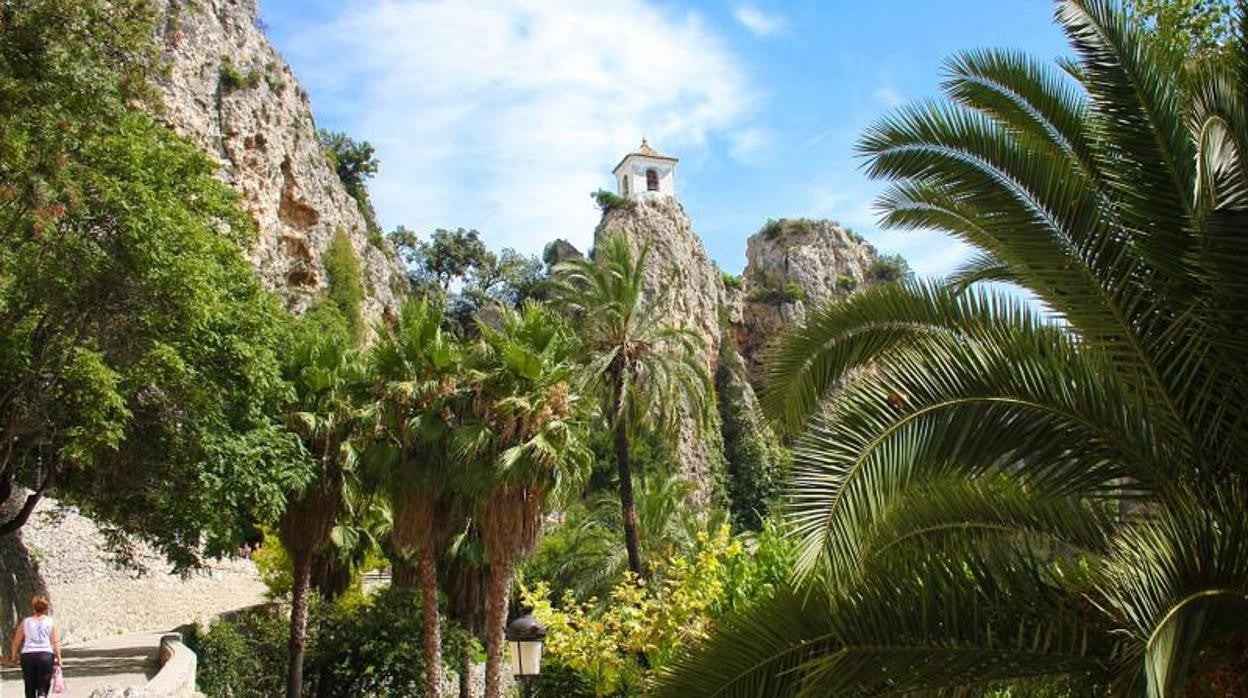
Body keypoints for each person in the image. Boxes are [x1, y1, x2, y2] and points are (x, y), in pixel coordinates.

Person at [8, 595, 62, 698]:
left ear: (33, 607)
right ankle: (42, 695)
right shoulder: (50, 622)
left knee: (29, 685)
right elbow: (55, 641)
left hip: (28, 655)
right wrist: (59, 657)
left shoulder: (26, 622)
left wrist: (14, 655)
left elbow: (16, 641)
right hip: (45, 655)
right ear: (46, 608)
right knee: (43, 685)